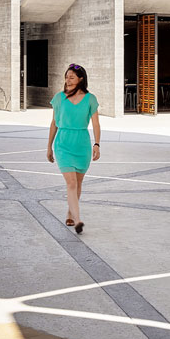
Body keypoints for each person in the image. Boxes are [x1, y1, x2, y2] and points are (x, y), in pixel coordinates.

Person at [45, 64, 100, 234]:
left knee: (78, 182)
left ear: (80, 79)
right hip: (63, 144)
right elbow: (54, 123)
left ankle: (70, 212)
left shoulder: (90, 99)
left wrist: (97, 143)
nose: (67, 80)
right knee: (71, 183)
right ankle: (77, 220)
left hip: (82, 144)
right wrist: (49, 146)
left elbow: (96, 123)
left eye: (72, 77)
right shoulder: (59, 98)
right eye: (66, 77)